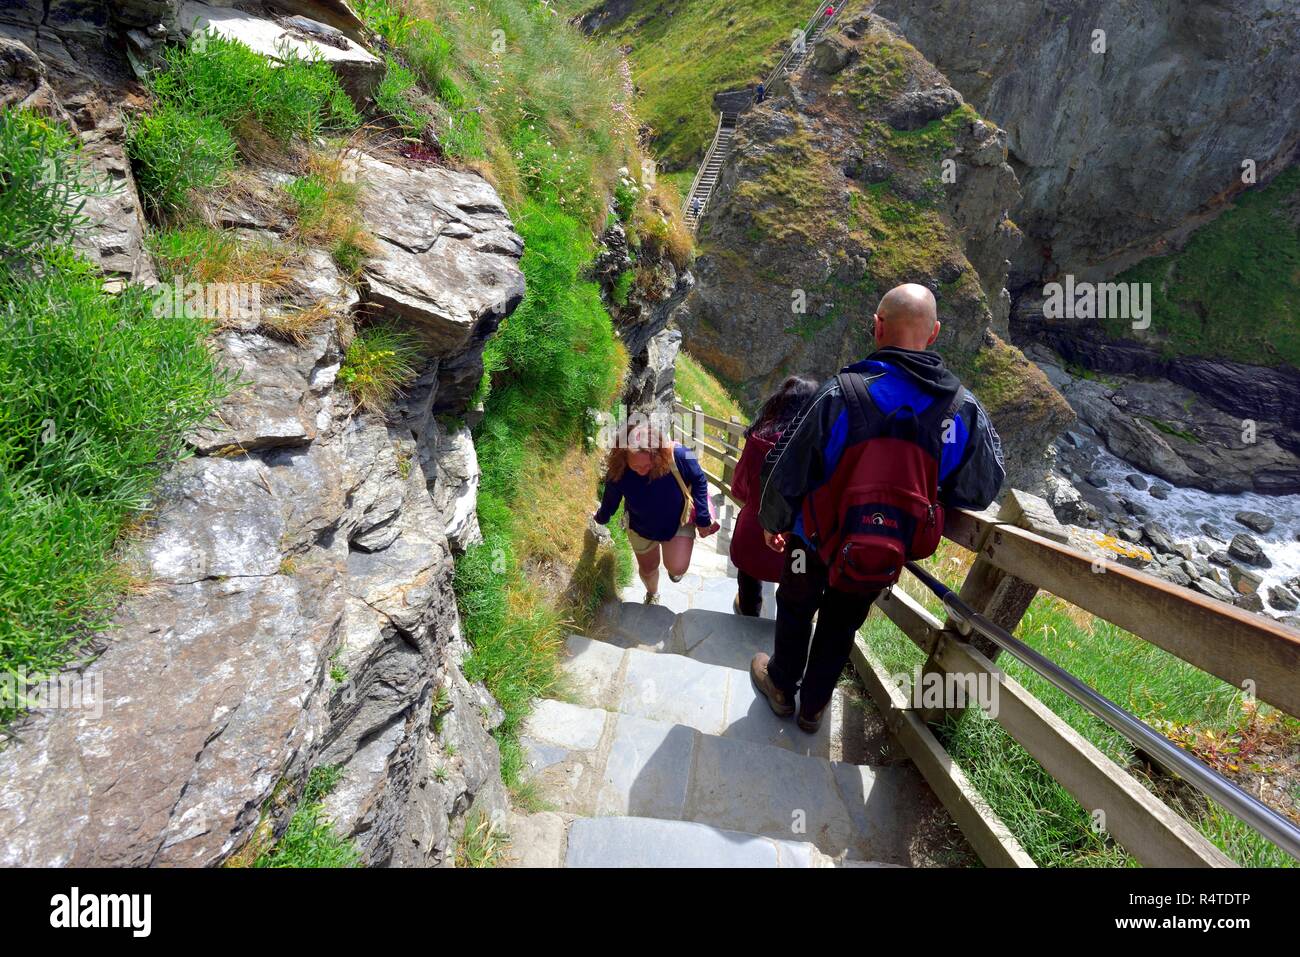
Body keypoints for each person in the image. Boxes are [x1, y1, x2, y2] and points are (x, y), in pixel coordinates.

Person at [751, 283, 1005, 733]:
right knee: (841, 624)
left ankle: (781, 685)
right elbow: (982, 488)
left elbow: (789, 465)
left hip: (812, 540)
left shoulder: (841, 393)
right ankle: (813, 708)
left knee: (795, 606)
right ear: (935, 334)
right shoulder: (961, 409)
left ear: (877, 327)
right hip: (880, 548)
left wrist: (774, 521)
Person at [593, 420, 720, 604]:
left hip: (678, 522)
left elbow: (699, 479)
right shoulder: (618, 469)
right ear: (624, 456)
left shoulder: (681, 454)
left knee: (677, 567)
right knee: (648, 567)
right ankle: (652, 594)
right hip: (640, 526)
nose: (642, 471)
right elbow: (611, 498)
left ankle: (673, 570)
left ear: (658, 452)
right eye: (636, 467)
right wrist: (602, 517)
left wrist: (702, 517)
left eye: (648, 465)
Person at [728, 375, 819, 617]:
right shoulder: (818, 447)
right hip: (796, 545)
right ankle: (785, 632)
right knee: (796, 581)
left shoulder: (758, 438)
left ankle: (748, 614)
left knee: (749, 574)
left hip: (753, 534)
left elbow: (738, 487)